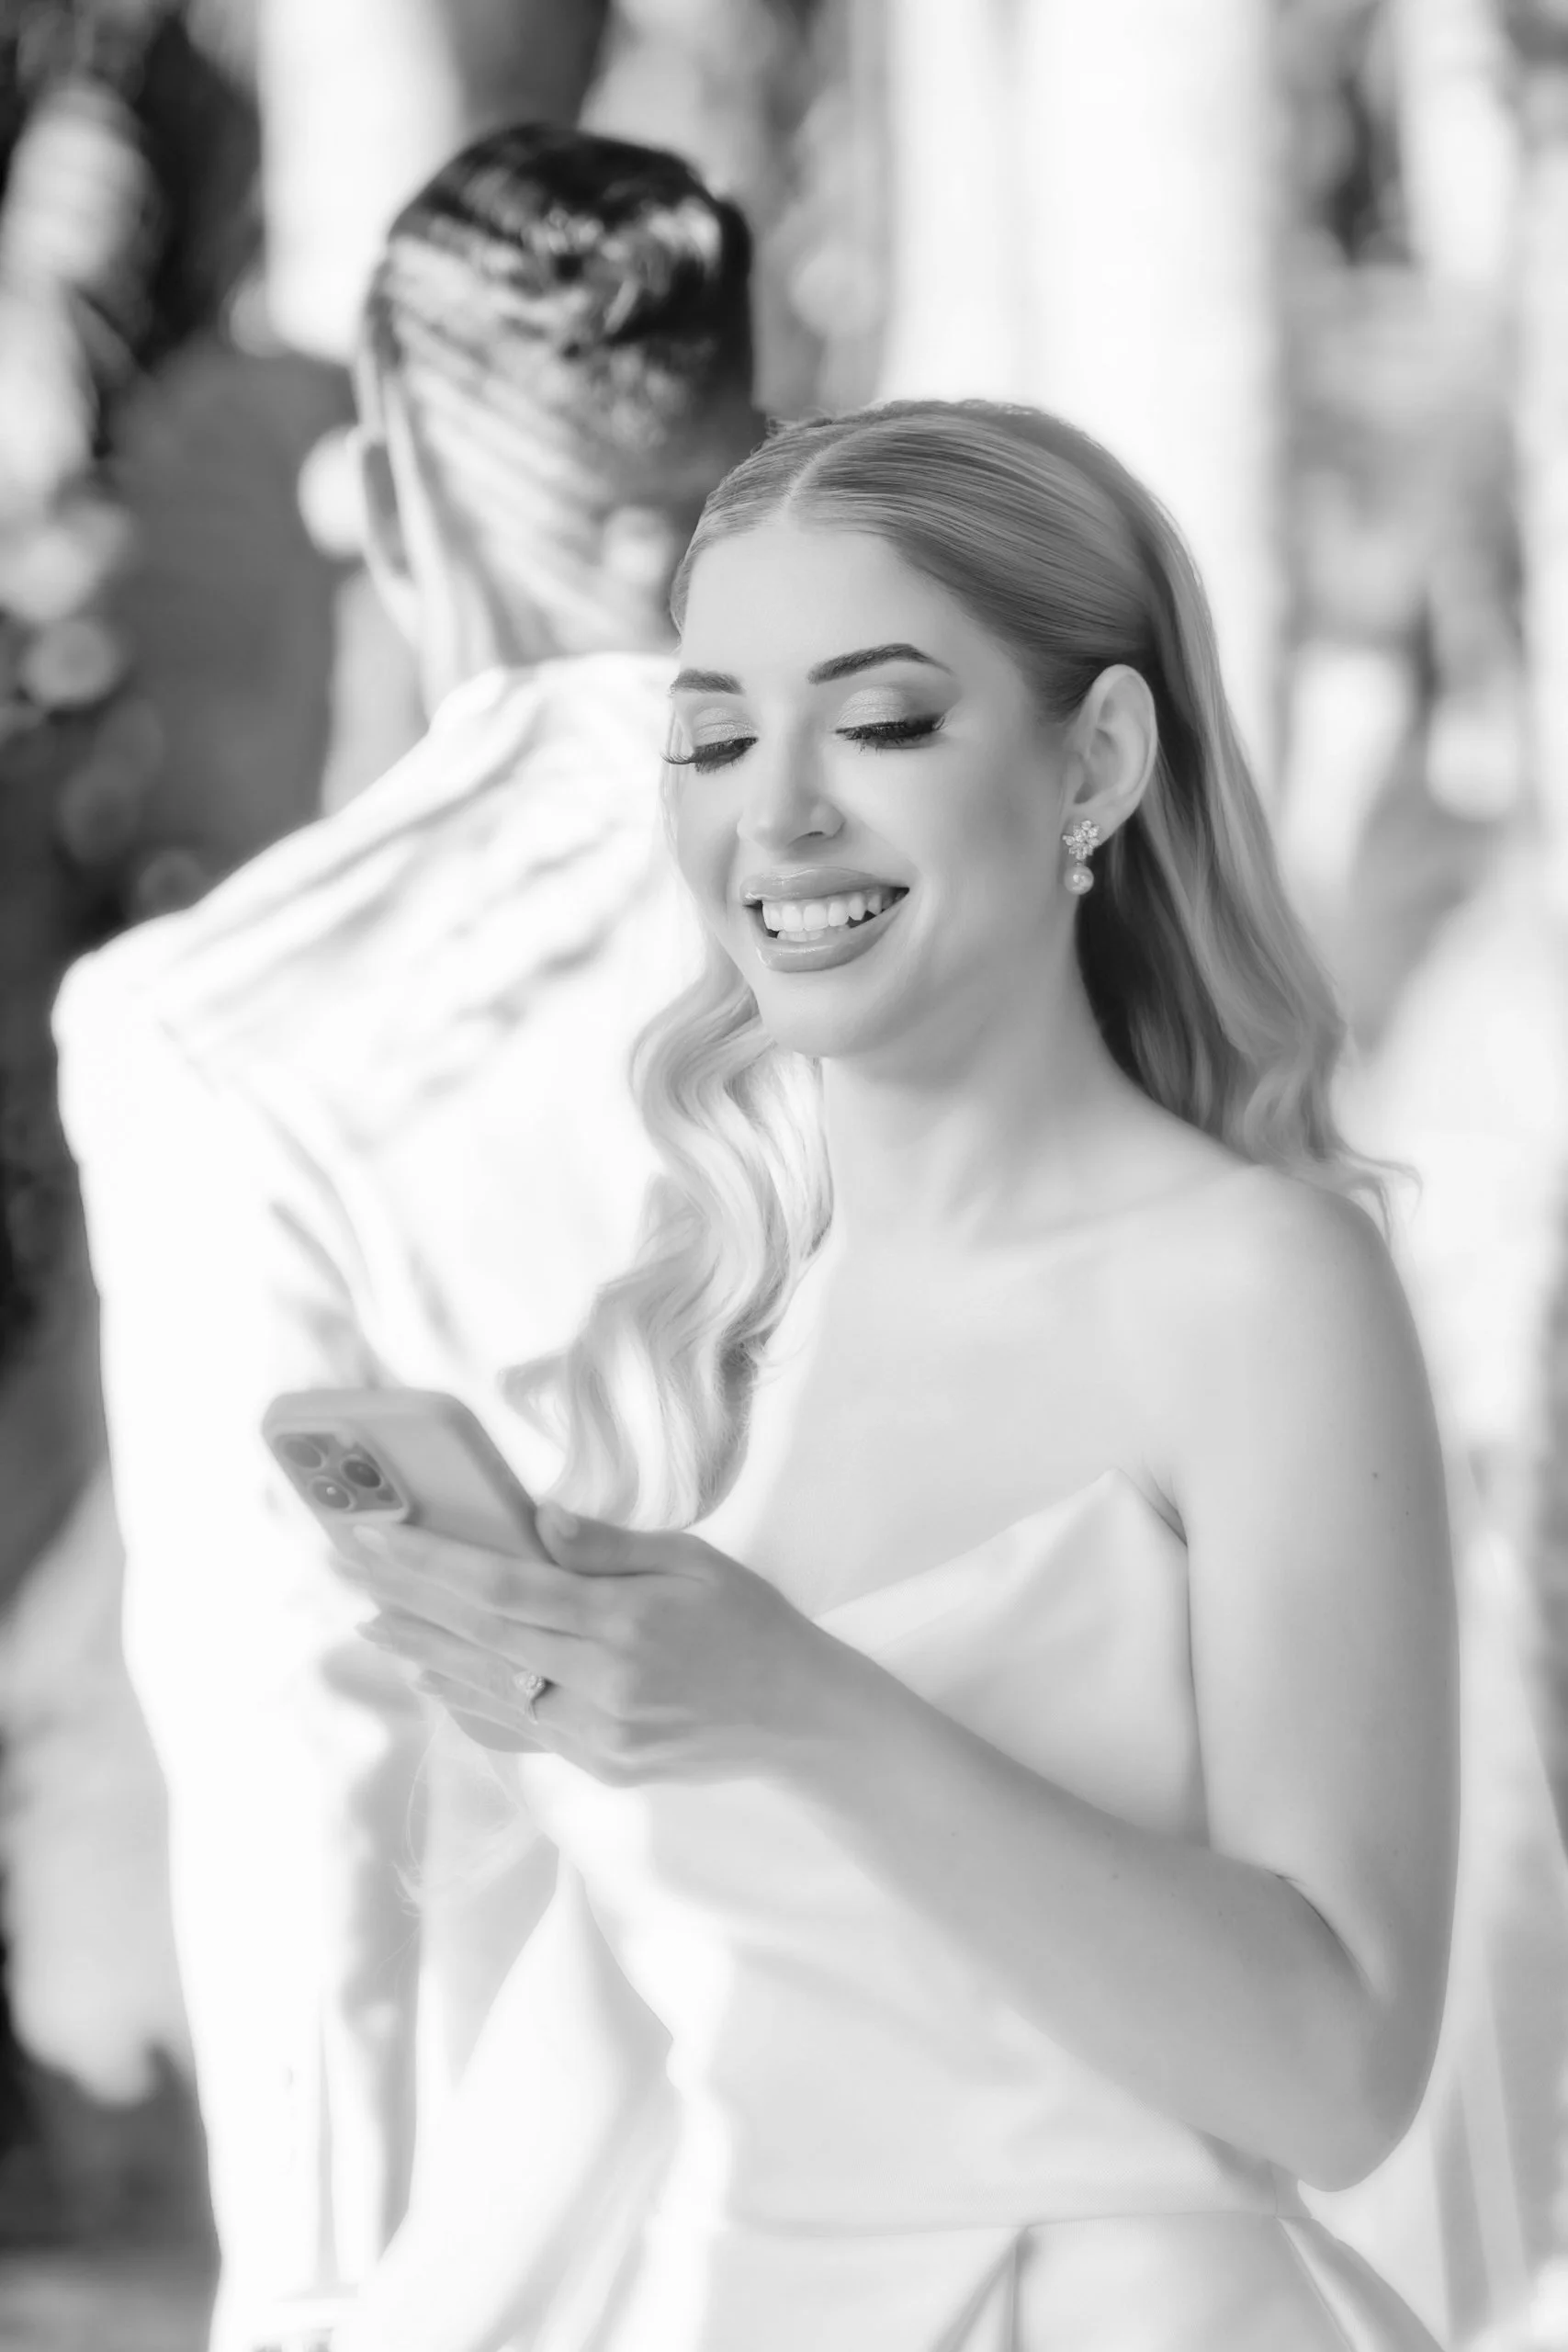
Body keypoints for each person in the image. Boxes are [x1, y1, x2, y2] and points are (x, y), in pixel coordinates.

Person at [333, 400, 1540, 2352]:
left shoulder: (1255, 1287)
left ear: (1098, 762)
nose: (776, 812)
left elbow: (1338, 2070)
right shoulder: (704, 1324)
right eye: (716, 735)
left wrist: (798, 1701)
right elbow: (624, 2037)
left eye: (881, 723)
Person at [52, 123, 759, 2352]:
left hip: (575, 2219)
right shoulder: (1020, 887)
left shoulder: (225, 1022)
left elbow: (298, 1728)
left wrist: (325, 2292)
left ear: (398, 489)